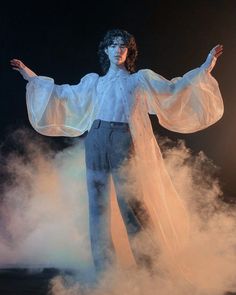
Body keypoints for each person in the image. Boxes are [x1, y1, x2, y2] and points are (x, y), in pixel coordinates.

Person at [10, 29, 223, 283]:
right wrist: (30, 76)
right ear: (106, 50)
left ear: (128, 52)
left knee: (132, 203)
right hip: (96, 138)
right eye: (113, 45)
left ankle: (151, 268)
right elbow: (62, 94)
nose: (118, 49)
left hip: (125, 139)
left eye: (123, 46)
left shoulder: (139, 79)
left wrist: (205, 68)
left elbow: (174, 88)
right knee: (97, 206)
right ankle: (105, 271)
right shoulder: (95, 82)